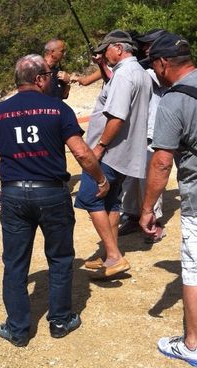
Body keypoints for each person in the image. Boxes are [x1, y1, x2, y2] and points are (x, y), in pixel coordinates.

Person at [0, 54, 109, 347]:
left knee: (14, 263)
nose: (50, 79)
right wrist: (101, 179)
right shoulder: (58, 109)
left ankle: (17, 329)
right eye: (48, 76)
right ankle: (60, 321)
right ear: (39, 79)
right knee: (61, 258)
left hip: (13, 194)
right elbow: (81, 153)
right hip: (51, 192)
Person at [139, 33, 197, 366]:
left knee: (192, 270)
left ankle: (191, 345)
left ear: (163, 64)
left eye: (154, 66)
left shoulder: (173, 100)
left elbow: (162, 161)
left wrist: (147, 209)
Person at [74, 29, 152, 279]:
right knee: (112, 201)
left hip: (110, 153)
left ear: (119, 47)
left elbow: (117, 117)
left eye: (106, 48)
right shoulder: (139, 72)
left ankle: (114, 256)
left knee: (91, 198)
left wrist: (98, 148)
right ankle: (111, 254)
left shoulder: (123, 76)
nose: (103, 53)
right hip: (127, 153)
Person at [118, 29, 170, 242]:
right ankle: (131, 215)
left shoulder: (158, 68)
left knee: (149, 178)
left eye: (150, 45)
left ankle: (153, 221)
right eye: (144, 45)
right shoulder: (142, 67)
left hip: (152, 130)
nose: (146, 48)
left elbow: (154, 79)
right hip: (134, 131)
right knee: (129, 179)